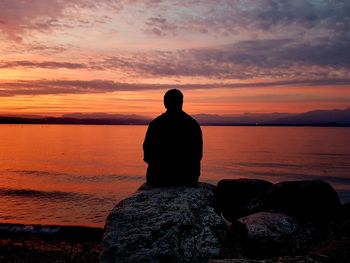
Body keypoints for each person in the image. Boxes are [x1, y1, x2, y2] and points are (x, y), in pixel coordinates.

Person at [143, 89, 203, 186]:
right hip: (187, 178)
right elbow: (198, 155)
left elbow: (147, 156)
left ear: (165, 103)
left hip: (159, 178)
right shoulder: (192, 124)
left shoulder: (156, 124)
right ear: (181, 102)